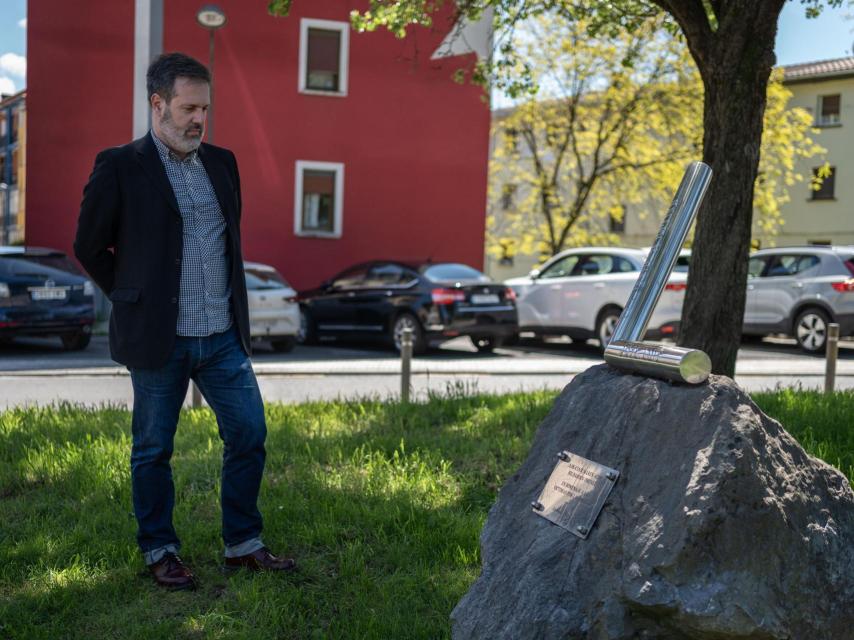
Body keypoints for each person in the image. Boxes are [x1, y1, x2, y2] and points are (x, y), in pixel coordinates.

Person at [74, 52, 295, 590]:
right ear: (158, 103)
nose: (199, 118)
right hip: (159, 341)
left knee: (249, 434)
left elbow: (226, 242)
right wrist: (130, 297)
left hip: (221, 337)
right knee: (153, 449)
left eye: (205, 108)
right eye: (188, 107)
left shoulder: (223, 163)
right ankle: (159, 549)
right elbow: (88, 245)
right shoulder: (120, 165)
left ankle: (242, 543)